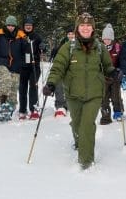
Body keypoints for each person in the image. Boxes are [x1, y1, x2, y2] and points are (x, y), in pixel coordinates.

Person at [42, 12, 118, 170]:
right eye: (82, 26)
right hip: (73, 94)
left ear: (93, 29)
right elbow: (58, 67)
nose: (85, 28)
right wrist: (51, 83)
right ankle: (80, 143)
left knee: (86, 126)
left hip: (95, 94)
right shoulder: (68, 48)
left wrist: (113, 72)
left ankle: (86, 162)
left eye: (88, 26)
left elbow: (108, 66)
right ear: (77, 28)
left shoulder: (100, 47)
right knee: (76, 124)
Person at [0, 15, 27, 121]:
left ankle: (9, 110)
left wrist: (28, 59)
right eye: (9, 25)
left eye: (12, 25)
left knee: (14, 87)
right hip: (0, 63)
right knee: (7, 79)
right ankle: (2, 103)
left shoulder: (21, 37)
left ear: (15, 25)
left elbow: (26, 51)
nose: (10, 27)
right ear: (6, 25)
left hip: (16, 65)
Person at [18, 17, 43, 120]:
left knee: (33, 87)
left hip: (34, 66)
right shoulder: (20, 36)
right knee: (22, 88)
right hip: (22, 66)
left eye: (30, 25)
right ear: (24, 26)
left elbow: (42, 46)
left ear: (32, 27)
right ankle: (22, 110)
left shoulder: (36, 37)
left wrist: (42, 47)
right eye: (26, 25)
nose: (28, 27)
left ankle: (33, 110)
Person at [100, 23, 124, 125]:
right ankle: (105, 115)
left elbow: (123, 60)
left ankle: (118, 112)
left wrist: (120, 70)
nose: (107, 41)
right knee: (104, 97)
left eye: (109, 39)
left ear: (112, 39)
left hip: (115, 76)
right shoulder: (99, 48)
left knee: (115, 96)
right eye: (105, 39)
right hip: (103, 76)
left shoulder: (117, 48)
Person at [49, 29, 75, 117]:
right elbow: (58, 56)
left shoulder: (79, 44)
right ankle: (60, 105)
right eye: (69, 34)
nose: (71, 35)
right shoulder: (63, 43)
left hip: (74, 68)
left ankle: (71, 104)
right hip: (63, 68)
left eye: (72, 34)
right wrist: (54, 52)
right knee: (59, 85)